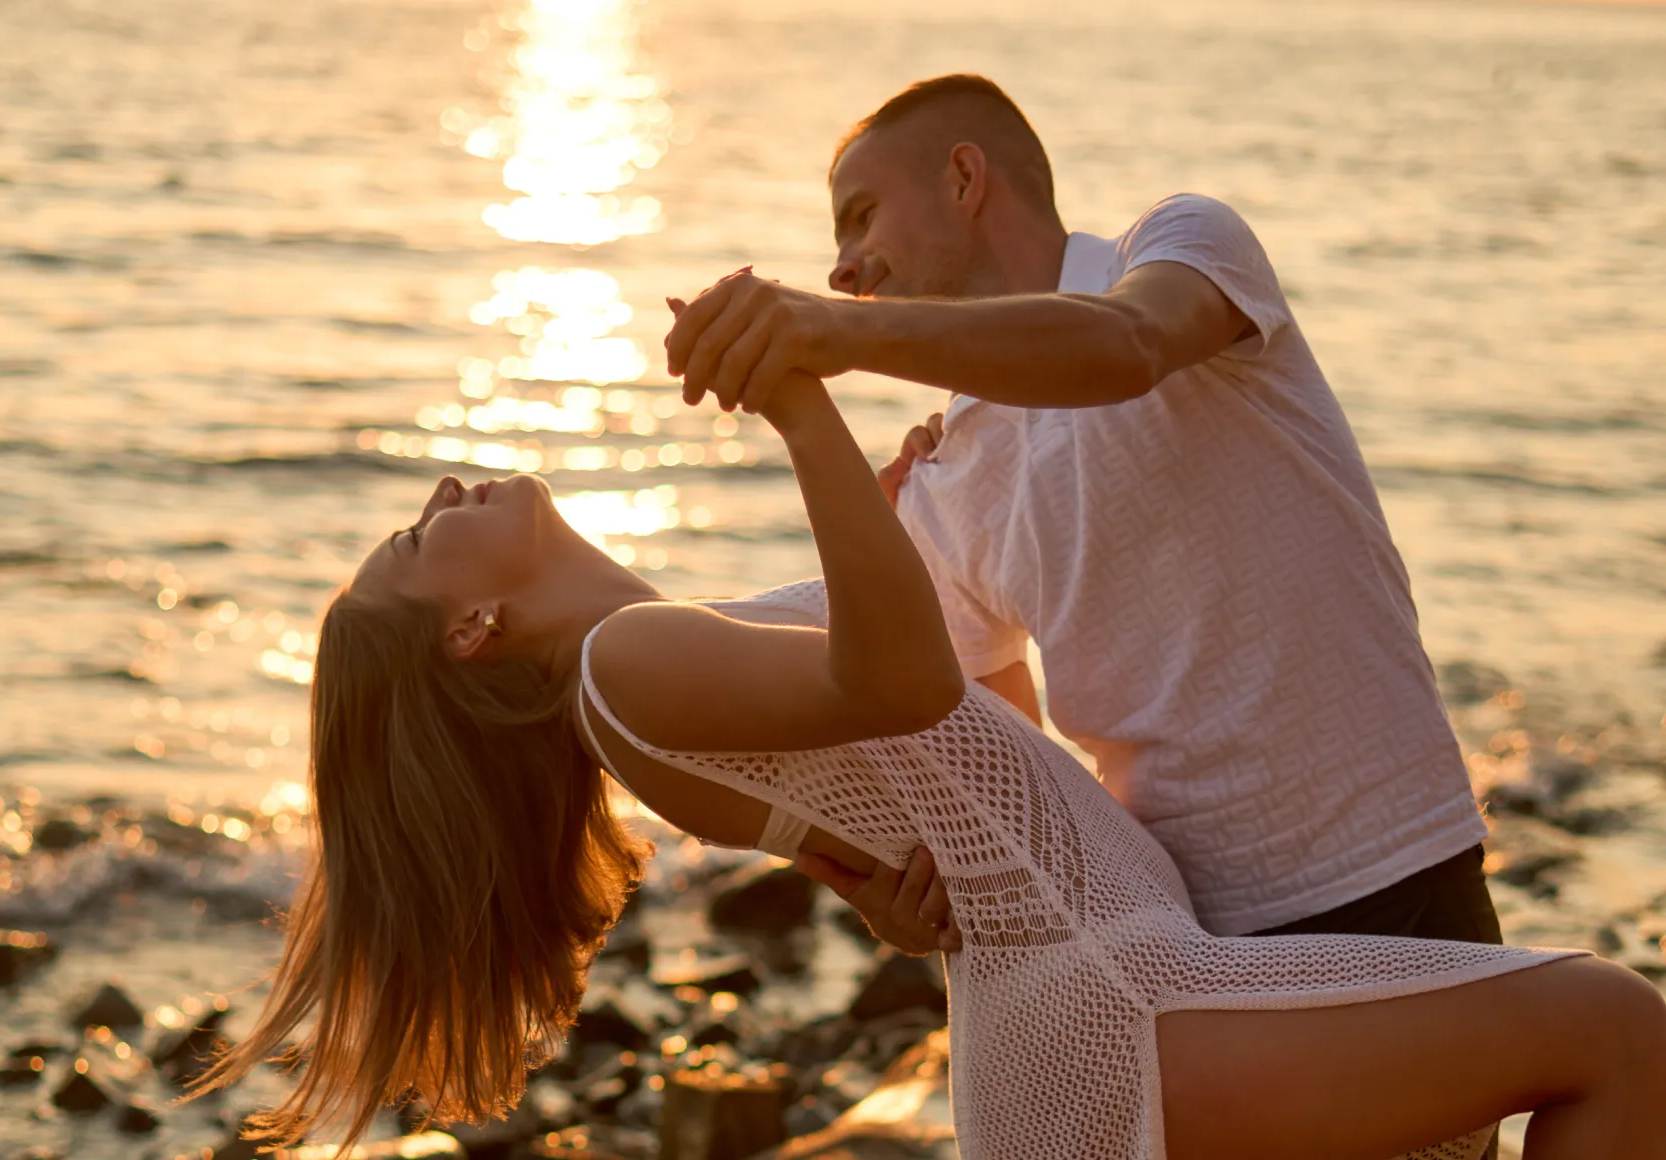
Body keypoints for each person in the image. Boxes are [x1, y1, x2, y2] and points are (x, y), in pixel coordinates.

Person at [194, 367, 1666, 1160]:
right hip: (1122, 1011)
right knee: (1610, 1032)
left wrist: (896, 524)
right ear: (468, 625)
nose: (446, 488)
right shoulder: (622, 670)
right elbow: (898, 677)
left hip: (1098, 1009)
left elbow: (983, 727)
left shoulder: (656, 667)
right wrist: (803, 407)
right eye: (417, 530)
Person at [663, 75, 1503, 966]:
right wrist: (924, 888)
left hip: (1397, 872)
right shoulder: (941, 483)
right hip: (1188, 944)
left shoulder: (1179, 246)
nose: (842, 266)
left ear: (963, 177)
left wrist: (836, 333)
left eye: (862, 215)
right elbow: (1011, 783)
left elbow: (1124, 346)